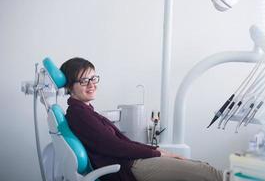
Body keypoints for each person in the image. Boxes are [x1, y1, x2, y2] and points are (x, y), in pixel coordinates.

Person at [60, 57, 223, 181]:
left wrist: (158, 151)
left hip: (133, 162)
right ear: (69, 87)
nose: (91, 84)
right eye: (84, 81)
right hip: (130, 167)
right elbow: (115, 146)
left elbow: (122, 142)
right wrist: (157, 154)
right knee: (208, 173)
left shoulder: (85, 111)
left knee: (201, 167)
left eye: (93, 78)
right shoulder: (79, 114)